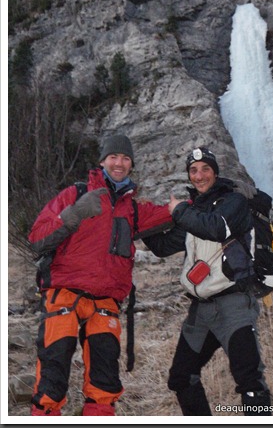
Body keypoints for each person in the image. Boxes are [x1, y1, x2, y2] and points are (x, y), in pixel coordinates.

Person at [28, 135, 173, 416]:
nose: (119, 163)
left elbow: (171, 212)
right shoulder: (76, 194)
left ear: (131, 164)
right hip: (64, 295)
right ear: (102, 161)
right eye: (114, 157)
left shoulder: (132, 208)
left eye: (126, 158)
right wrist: (75, 213)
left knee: (104, 386)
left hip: (105, 303)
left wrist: (214, 197)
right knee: (51, 382)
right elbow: (36, 238)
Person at [143, 147, 272, 416]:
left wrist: (178, 211)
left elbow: (216, 227)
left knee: (251, 384)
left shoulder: (233, 201)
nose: (199, 175)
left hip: (234, 304)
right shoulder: (194, 211)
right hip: (201, 311)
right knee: (181, 377)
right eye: (193, 170)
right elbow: (164, 246)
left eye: (205, 169)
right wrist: (139, 224)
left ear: (215, 172)